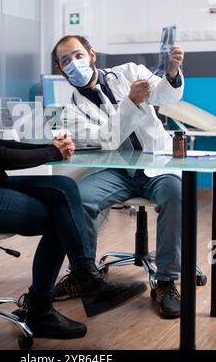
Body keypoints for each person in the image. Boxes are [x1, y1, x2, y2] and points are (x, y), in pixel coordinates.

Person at [0, 9, 146, 341]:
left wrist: (47, 145)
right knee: (61, 215)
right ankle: (45, 307)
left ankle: (86, 279)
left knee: (62, 188)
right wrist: (51, 152)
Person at [51, 35, 184, 319]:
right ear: (60, 71)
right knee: (80, 199)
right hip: (117, 170)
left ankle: (166, 282)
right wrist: (132, 103)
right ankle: (83, 275)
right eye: (65, 62)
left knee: (175, 194)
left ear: (92, 54)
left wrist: (171, 74)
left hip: (154, 163)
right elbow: (107, 140)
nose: (73, 64)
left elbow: (165, 95)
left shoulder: (130, 72)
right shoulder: (70, 113)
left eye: (77, 55)